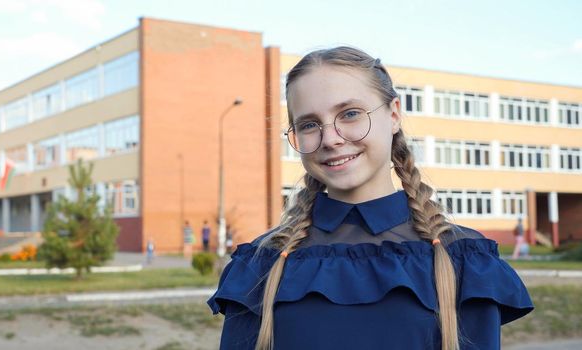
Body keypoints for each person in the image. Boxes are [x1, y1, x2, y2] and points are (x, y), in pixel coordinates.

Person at [207, 47, 533, 349]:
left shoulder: (464, 262)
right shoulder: (261, 264)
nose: (330, 139)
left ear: (393, 115)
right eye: (309, 124)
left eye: (349, 114)